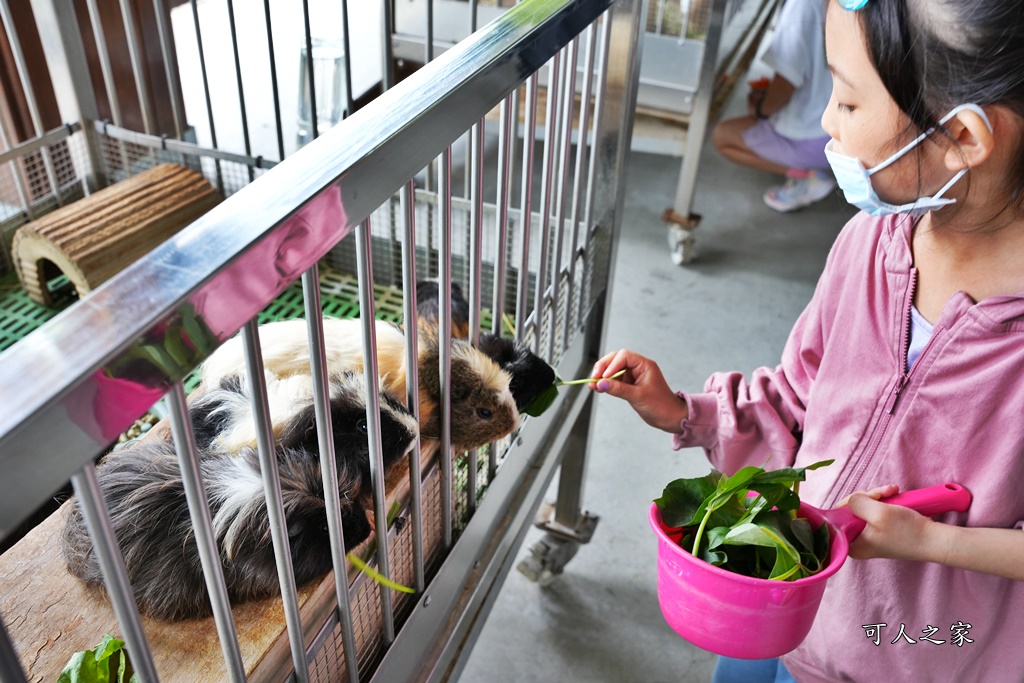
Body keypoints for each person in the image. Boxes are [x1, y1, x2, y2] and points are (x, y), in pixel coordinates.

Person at [591, 0, 1024, 681]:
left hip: (914, 652)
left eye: (847, 103)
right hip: (785, 605)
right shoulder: (870, 244)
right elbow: (800, 400)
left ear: (965, 137)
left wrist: (934, 542)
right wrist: (685, 411)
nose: (826, 122)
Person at [711, 0, 835, 213]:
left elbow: (786, 83)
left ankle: (808, 178)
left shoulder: (801, 7)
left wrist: (760, 109)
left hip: (816, 138)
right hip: (842, 124)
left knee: (722, 136)